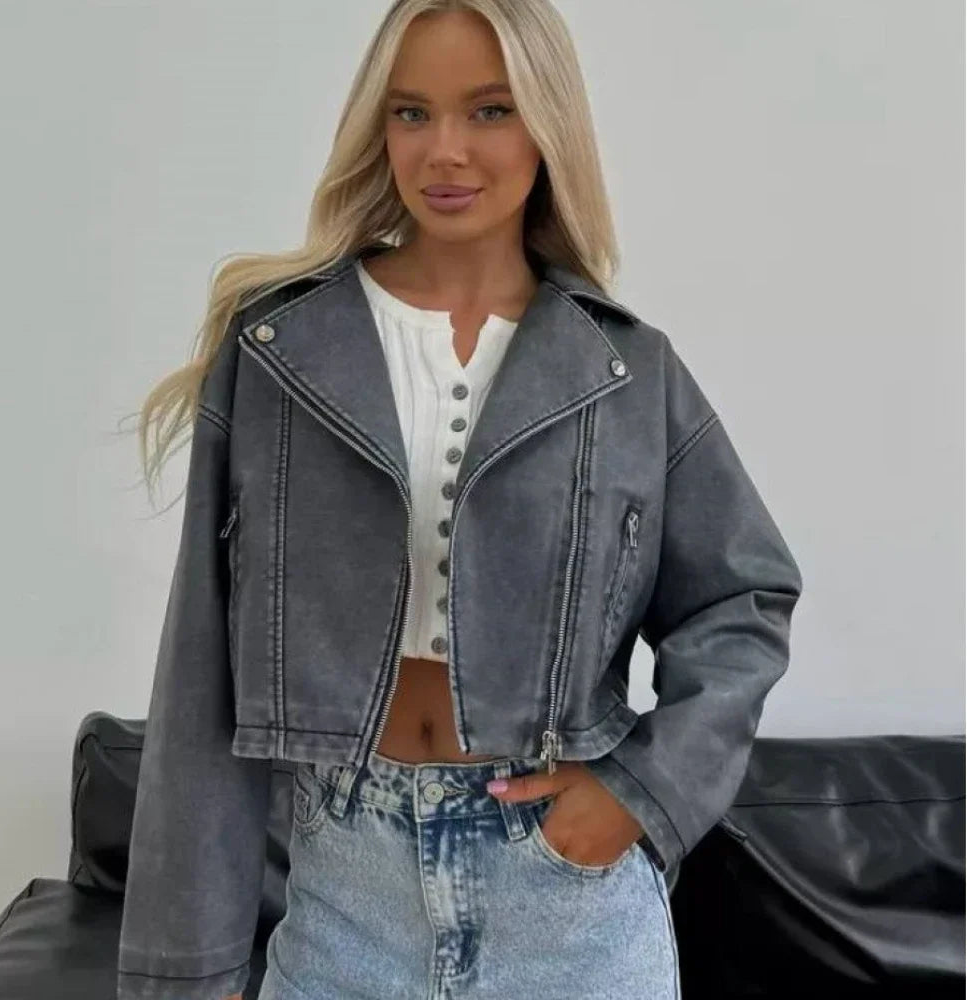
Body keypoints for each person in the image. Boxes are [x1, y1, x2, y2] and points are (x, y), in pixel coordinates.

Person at [116, 2, 803, 998]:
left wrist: (641, 792)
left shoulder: (625, 371)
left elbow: (743, 600)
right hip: (345, 894)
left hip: (567, 909)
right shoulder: (280, 351)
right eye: (411, 113)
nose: (445, 151)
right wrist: (190, 963)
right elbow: (200, 669)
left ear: (547, 125)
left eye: (489, 110)